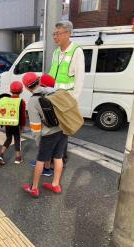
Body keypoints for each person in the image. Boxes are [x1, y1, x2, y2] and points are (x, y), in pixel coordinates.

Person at [22, 72, 67, 197]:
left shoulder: (33, 101)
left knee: (40, 160)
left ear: (26, 87)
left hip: (48, 134)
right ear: (39, 81)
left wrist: (38, 141)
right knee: (58, 157)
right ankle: (55, 185)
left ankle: (34, 188)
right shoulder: (53, 91)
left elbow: (36, 127)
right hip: (62, 129)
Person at [49, 20, 85, 165]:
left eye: (57, 34)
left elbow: (80, 78)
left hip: (66, 97)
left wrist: (73, 100)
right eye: (54, 34)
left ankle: (60, 157)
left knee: (63, 129)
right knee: (53, 127)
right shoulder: (56, 52)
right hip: (54, 96)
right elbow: (52, 74)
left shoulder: (76, 51)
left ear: (68, 34)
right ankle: (54, 156)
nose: (55, 37)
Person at [0, 81, 26, 165]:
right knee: (17, 139)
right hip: (16, 124)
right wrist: (23, 126)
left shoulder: (6, 100)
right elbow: (23, 116)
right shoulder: (21, 101)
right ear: (21, 91)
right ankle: (18, 158)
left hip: (7, 123)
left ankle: (1, 155)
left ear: (10, 90)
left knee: (8, 139)